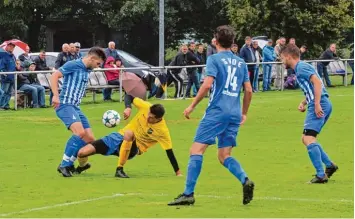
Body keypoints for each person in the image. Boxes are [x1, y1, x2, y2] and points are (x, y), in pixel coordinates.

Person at [167, 25, 254, 206]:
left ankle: (188, 194)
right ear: (232, 42)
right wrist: (244, 113)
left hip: (217, 112)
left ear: (215, 40)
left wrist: (191, 106)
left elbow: (207, 85)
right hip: (234, 113)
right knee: (224, 155)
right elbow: (249, 90)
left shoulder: (214, 59)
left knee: (196, 151)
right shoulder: (241, 62)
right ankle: (245, 179)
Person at [77, 96, 182, 178]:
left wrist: (178, 172)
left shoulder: (162, 131)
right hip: (118, 137)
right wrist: (128, 107)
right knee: (82, 153)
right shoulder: (146, 107)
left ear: (158, 118)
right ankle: (81, 167)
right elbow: (129, 96)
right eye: (148, 114)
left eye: (151, 118)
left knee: (129, 133)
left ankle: (119, 169)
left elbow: (169, 152)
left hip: (134, 148)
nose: (147, 118)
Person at [280, 44, 338, 183]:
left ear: (288, 56)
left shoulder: (301, 67)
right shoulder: (301, 67)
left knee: (309, 139)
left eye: (282, 58)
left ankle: (320, 175)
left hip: (320, 104)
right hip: (319, 102)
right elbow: (312, 87)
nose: (282, 61)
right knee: (305, 138)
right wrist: (304, 102)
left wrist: (316, 104)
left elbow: (317, 83)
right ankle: (329, 165)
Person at [51, 47, 106, 177]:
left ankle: (69, 163)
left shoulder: (87, 69)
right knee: (80, 132)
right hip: (65, 104)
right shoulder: (74, 64)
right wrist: (55, 95)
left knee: (90, 138)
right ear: (92, 58)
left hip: (75, 107)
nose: (98, 67)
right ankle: (64, 165)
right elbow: (54, 75)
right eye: (98, 64)